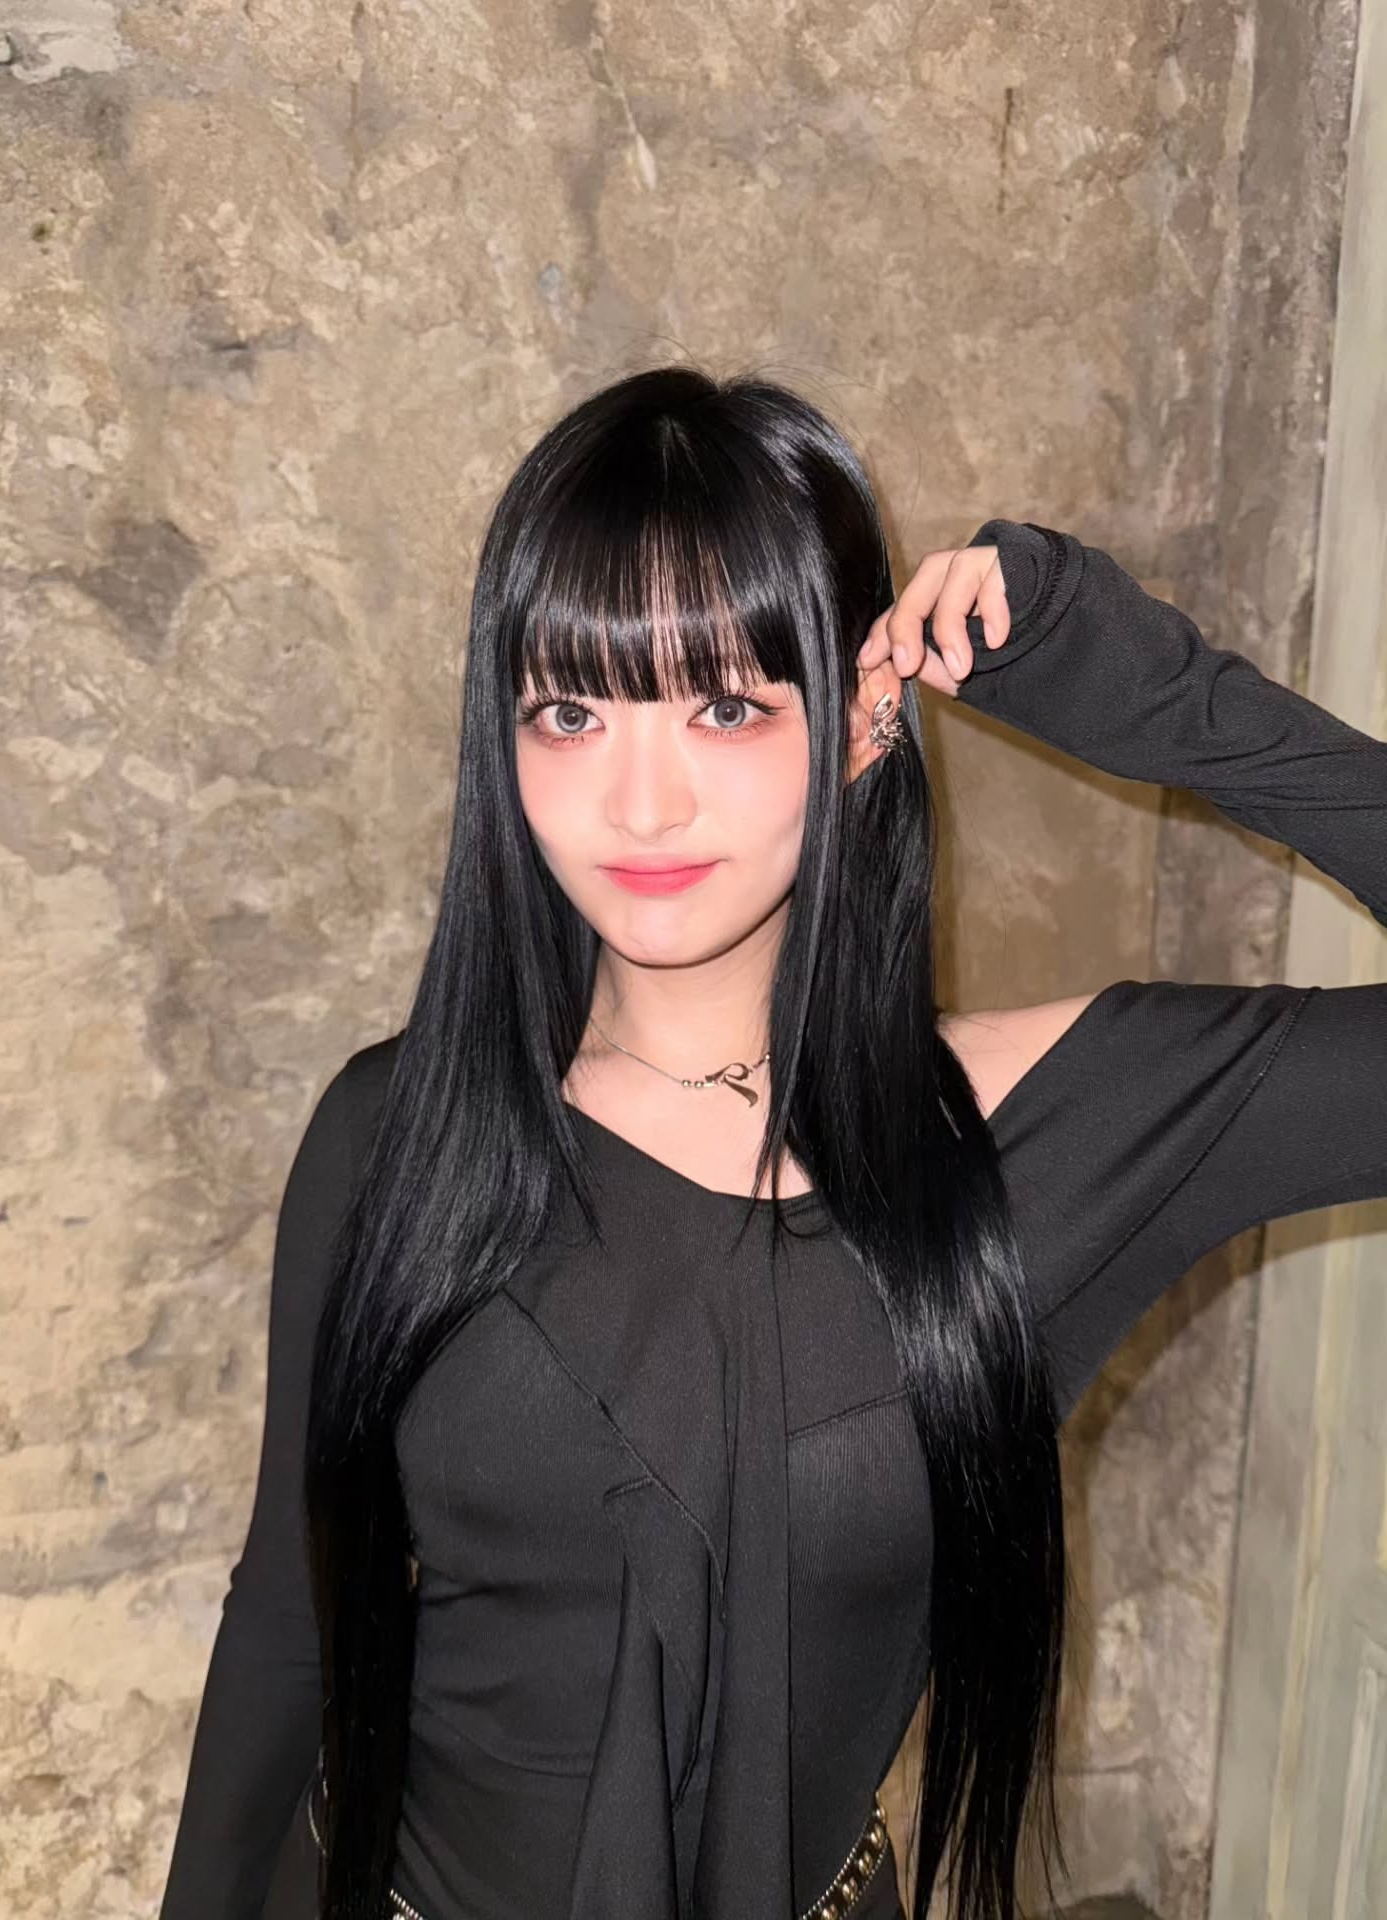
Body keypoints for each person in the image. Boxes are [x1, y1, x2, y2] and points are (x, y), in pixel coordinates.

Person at [156, 365, 1386, 1920]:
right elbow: (289, 1619)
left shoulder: (1049, 1137)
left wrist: (1124, 678)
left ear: (866, 720)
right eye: (571, 711)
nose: (640, 803)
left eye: (726, 705)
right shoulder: (398, 1130)